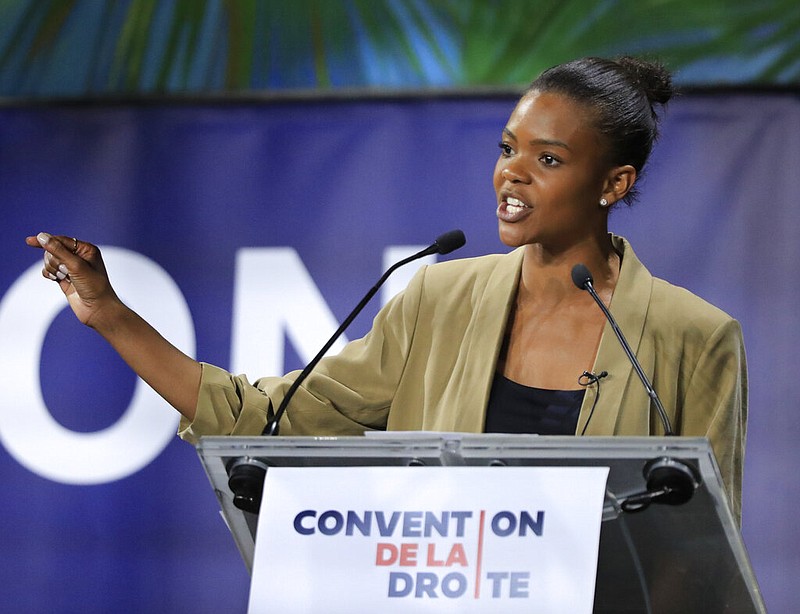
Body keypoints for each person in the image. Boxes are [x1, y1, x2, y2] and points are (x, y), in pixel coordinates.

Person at [26, 56, 747, 521]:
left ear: (614, 184)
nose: (510, 174)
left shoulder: (691, 335)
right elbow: (263, 418)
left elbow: (702, 546)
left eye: (548, 158)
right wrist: (109, 314)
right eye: (507, 149)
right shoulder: (437, 302)